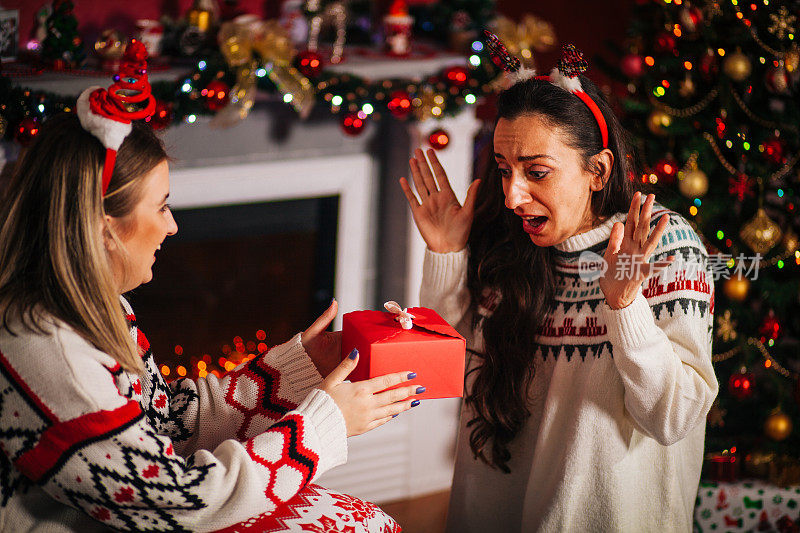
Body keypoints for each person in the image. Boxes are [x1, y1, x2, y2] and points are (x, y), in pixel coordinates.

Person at [0, 43, 422, 533]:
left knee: (367, 521)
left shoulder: (97, 304)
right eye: (160, 207)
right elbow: (178, 502)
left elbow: (165, 425)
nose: (173, 226)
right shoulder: (49, 350)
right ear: (103, 227)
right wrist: (322, 427)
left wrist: (294, 373)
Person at [400, 42, 718, 532]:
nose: (511, 196)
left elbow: (673, 418)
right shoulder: (506, 240)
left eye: (537, 172)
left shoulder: (662, 246)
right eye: (504, 170)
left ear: (598, 171)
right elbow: (442, 370)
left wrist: (624, 306)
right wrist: (446, 254)